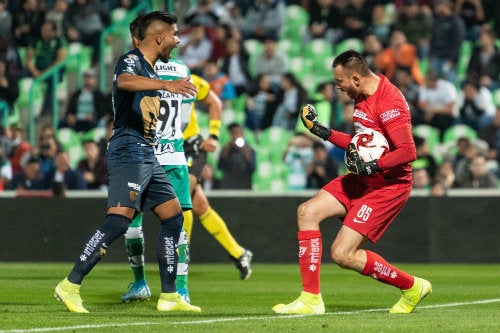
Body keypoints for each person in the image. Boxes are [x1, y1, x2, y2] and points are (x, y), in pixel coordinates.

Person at [53, 11, 201, 314]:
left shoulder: (150, 67)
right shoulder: (131, 61)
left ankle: (170, 295)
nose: (177, 39)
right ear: (158, 37)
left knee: (173, 218)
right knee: (119, 221)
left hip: (147, 151)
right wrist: (165, 85)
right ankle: (70, 285)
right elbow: (123, 81)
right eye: (174, 33)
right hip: (128, 148)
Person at [273, 50, 431, 315]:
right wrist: (320, 131)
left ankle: (412, 286)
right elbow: (362, 144)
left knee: (342, 255)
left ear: (356, 78)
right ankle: (310, 299)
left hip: (388, 186)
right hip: (363, 178)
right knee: (307, 212)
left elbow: (408, 151)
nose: (338, 87)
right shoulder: (361, 95)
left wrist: (373, 165)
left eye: (340, 82)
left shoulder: (389, 103)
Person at [217, 122, 256, 189]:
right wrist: (228, 147)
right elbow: (220, 166)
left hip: (244, 186)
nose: (235, 136)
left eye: (237, 133)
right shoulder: (226, 149)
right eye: (232, 133)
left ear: (242, 134)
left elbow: (252, 167)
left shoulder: (249, 150)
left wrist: (244, 148)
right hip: (228, 186)